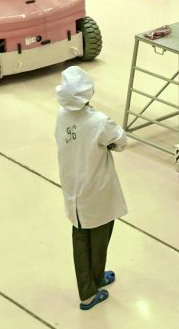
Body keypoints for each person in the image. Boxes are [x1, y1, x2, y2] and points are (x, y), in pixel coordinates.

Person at [54, 66, 128, 311]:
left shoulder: (62, 116)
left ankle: (95, 278)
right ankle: (88, 292)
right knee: (97, 237)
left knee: (82, 236)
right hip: (96, 190)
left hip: (73, 188)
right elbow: (120, 141)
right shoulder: (98, 121)